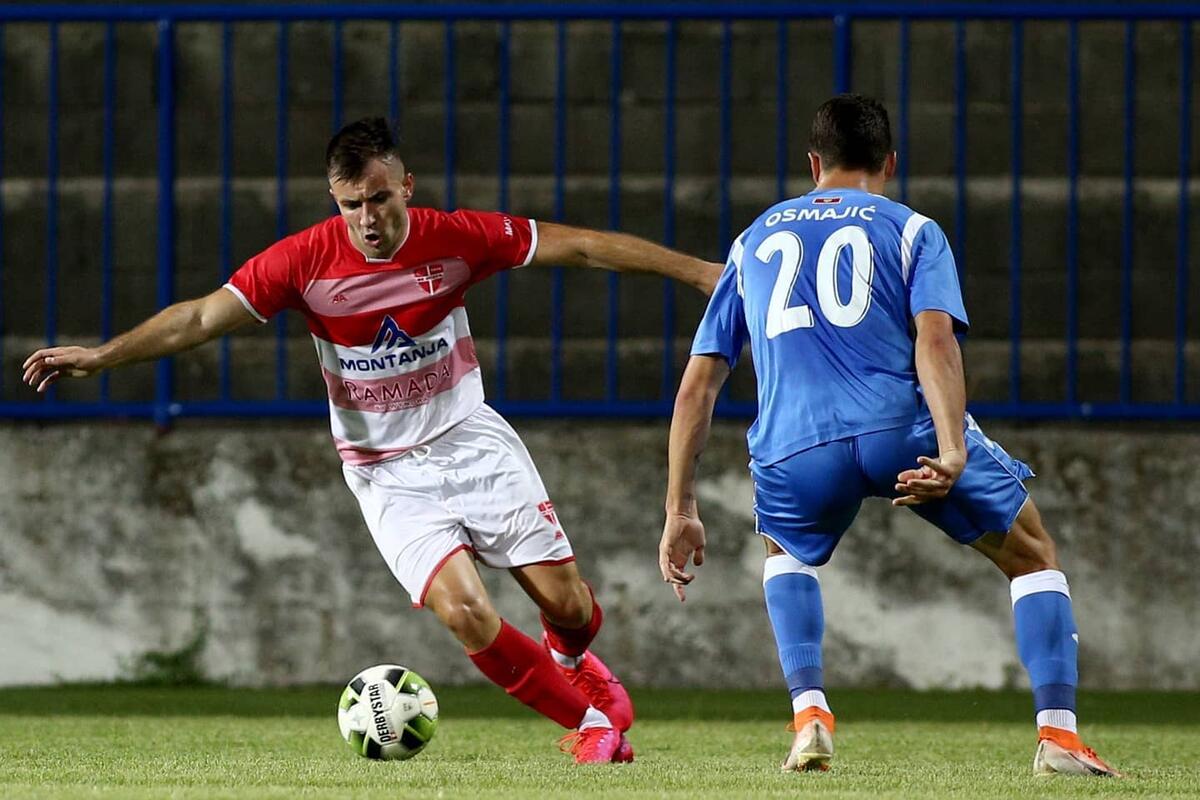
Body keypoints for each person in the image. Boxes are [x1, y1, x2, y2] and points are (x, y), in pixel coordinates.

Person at [24, 117, 721, 765]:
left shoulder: (457, 238)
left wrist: (700, 274)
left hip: (470, 441)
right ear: (335, 200)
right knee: (465, 612)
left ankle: (570, 657)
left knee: (568, 606)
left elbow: (585, 247)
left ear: (406, 187)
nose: (368, 218)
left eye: (380, 198)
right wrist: (102, 356)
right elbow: (201, 318)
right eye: (351, 204)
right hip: (385, 473)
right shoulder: (303, 261)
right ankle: (591, 727)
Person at [657, 94, 1119, 777]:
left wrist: (680, 507)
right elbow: (935, 341)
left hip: (795, 449)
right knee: (1032, 553)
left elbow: (698, 385)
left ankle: (810, 714)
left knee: (785, 552)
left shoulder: (752, 241)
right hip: (901, 434)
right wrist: (952, 448)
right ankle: (1059, 737)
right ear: (890, 163)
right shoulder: (913, 230)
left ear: (813, 163)